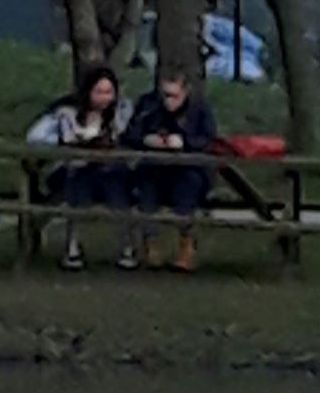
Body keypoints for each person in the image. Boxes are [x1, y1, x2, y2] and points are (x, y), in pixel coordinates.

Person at [26, 62, 125, 267]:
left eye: (109, 92)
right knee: (76, 185)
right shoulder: (66, 113)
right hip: (70, 169)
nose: (104, 97)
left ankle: (127, 247)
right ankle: (71, 247)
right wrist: (65, 143)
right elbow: (35, 137)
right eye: (99, 91)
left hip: (106, 170)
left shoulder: (121, 114)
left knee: (120, 186)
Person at [123, 64, 221, 273]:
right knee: (145, 186)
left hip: (189, 168)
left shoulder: (200, 109)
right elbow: (130, 134)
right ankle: (151, 245)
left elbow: (209, 140)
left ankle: (186, 247)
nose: (168, 101)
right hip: (154, 167)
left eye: (174, 95)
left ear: (185, 92)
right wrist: (146, 139)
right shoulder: (148, 106)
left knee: (188, 187)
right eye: (165, 95)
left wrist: (185, 142)